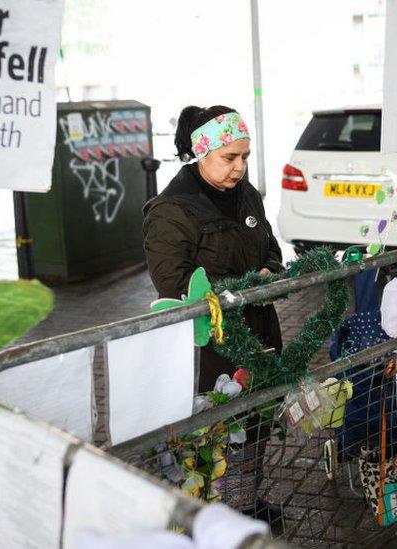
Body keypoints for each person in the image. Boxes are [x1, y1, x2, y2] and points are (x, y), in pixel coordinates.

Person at [142, 105, 284, 528]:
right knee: (214, 433)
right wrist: (241, 288)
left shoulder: (247, 195)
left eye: (245, 157)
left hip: (258, 333)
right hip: (210, 347)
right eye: (230, 158)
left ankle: (242, 506)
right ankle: (206, 519)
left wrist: (269, 272)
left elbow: (271, 249)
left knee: (255, 422)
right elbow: (174, 283)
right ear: (202, 153)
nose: (240, 167)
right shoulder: (172, 209)